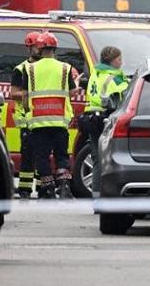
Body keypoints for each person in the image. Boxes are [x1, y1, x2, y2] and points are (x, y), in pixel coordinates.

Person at [22, 31, 81, 199]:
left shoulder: (30, 68)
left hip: (38, 122)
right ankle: (63, 186)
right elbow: (71, 92)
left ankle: (47, 189)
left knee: (42, 156)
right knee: (61, 155)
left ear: (39, 48)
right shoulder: (65, 68)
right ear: (55, 48)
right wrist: (76, 85)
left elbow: (25, 96)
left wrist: (28, 112)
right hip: (60, 121)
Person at [81, 46, 129, 198]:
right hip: (106, 119)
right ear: (112, 60)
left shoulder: (95, 73)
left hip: (91, 118)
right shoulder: (116, 76)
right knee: (111, 161)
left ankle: (97, 199)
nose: (121, 62)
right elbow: (126, 96)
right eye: (119, 59)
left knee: (97, 161)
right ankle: (111, 197)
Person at [10, 31, 42, 199]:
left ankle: (43, 188)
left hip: (44, 118)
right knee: (28, 157)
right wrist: (29, 94)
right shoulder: (20, 69)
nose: (40, 50)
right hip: (26, 120)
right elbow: (13, 93)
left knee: (43, 156)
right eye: (37, 46)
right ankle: (24, 190)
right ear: (29, 48)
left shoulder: (49, 68)